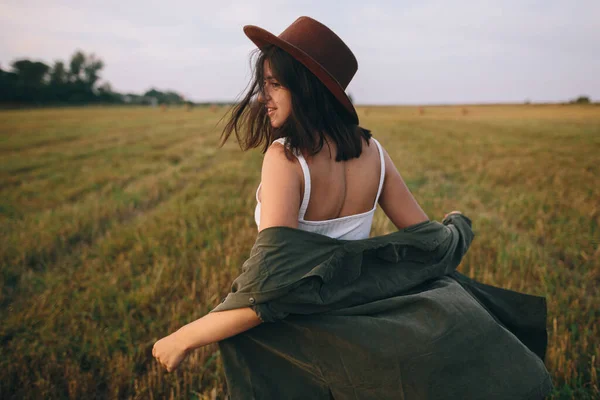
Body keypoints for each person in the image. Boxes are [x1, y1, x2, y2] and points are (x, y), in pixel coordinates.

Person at [152, 17, 551, 400]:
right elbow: (427, 240)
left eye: (274, 84)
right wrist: (456, 227)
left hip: (309, 329)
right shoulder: (373, 152)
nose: (263, 97)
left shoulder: (286, 159)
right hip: (364, 318)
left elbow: (272, 286)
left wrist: (184, 337)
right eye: (263, 84)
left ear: (306, 88)